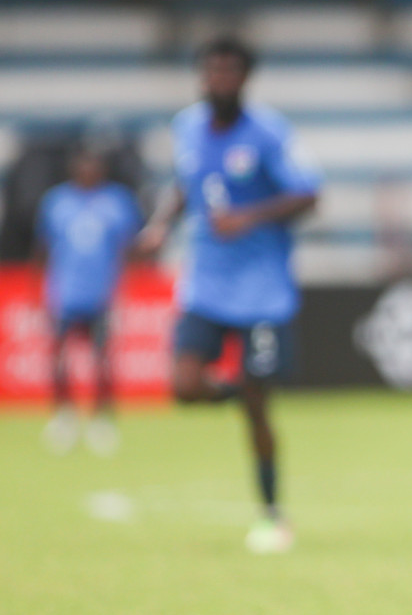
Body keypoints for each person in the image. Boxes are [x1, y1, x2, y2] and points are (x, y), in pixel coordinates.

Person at [138, 36, 321, 554]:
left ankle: (270, 513)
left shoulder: (269, 132)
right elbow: (185, 185)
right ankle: (241, 391)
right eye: (212, 70)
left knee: (260, 413)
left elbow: (309, 194)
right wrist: (160, 228)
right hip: (207, 283)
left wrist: (250, 216)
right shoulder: (187, 128)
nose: (220, 79)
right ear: (201, 76)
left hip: (262, 290)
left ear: (245, 77)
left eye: (230, 71)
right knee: (185, 386)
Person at [35, 140, 142, 454]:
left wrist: (128, 282)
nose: (88, 171)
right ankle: (63, 416)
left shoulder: (117, 201)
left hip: (101, 294)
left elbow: (130, 246)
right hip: (62, 293)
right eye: (83, 165)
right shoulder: (56, 201)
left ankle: (101, 419)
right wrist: (35, 288)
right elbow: (42, 248)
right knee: (58, 357)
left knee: (103, 359)